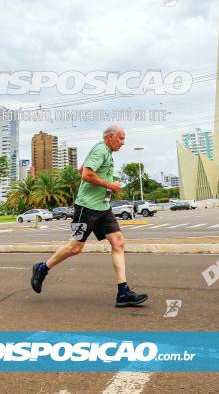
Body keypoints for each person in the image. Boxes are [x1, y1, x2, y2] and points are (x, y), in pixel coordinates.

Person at [30, 125, 148, 307]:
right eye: (121, 139)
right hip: (86, 208)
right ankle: (42, 268)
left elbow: (81, 169)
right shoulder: (101, 149)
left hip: (103, 207)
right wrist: (110, 185)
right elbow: (86, 174)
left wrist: (102, 187)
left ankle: (123, 292)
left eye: (124, 139)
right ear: (109, 137)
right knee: (75, 247)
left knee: (118, 242)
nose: (123, 143)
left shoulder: (106, 152)